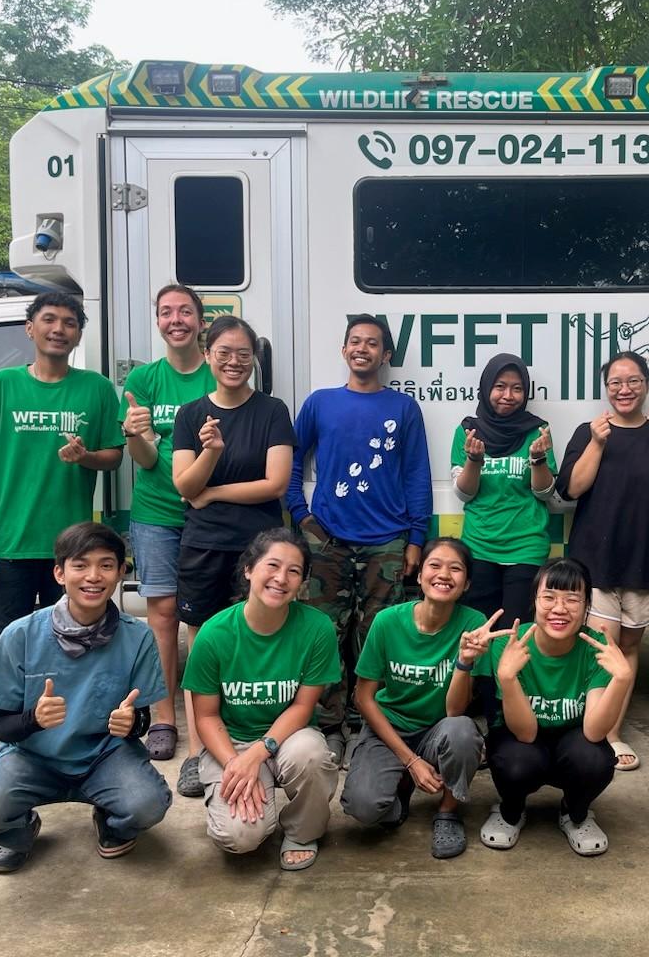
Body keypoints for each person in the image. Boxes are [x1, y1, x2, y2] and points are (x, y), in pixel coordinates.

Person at [0, 292, 124, 773]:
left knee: (81, 643)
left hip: (75, 553)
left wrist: (85, 456)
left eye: (70, 322)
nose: (59, 328)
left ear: (78, 334)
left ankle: (76, 729)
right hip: (12, 543)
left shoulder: (95, 389)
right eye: (49, 320)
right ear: (30, 328)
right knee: (4, 645)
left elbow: (113, 456)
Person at [0, 522, 171, 873]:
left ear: (120, 572)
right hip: (33, 757)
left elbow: (141, 717)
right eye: (80, 565)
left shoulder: (138, 638)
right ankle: (18, 831)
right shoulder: (20, 635)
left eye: (106, 565)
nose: (93, 576)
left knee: (147, 805)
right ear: (59, 573)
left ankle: (111, 822)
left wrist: (133, 723)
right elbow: (1, 726)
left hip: (105, 756)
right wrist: (34, 720)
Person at [286, 314, 432, 762]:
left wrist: (416, 539)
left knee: (376, 640)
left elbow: (416, 475)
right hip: (326, 540)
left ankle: (370, 727)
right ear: (344, 349)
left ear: (386, 355)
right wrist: (302, 517)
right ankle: (330, 726)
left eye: (372, 343)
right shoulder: (320, 403)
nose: (362, 348)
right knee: (325, 637)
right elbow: (290, 462)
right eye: (355, 341)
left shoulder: (403, 409)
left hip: (387, 541)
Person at [170, 315, 295, 799]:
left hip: (259, 548)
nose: (234, 362)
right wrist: (210, 452)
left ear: (254, 360)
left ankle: (253, 741)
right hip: (203, 545)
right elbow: (184, 486)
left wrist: (213, 490)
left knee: (257, 641)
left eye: (244, 354)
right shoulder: (190, 415)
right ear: (207, 356)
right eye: (224, 353)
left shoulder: (272, 411)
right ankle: (198, 753)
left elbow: (275, 483)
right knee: (202, 648)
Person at [556, 350, 649, 771]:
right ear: (606, 388)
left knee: (630, 647)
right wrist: (597, 443)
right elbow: (570, 489)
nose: (624, 389)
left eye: (633, 380)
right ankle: (608, 734)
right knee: (604, 645)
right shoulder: (589, 431)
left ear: (646, 384)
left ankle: (607, 720)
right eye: (615, 382)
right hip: (594, 559)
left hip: (643, 555)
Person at [181, 528, 341, 871]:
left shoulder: (317, 628)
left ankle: (302, 830)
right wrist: (236, 764)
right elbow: (206, 716)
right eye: (272, 565)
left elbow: (302, 706)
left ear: (302, 582)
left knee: (310, 756)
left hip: (287, 737)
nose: (281, 578)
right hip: (230, 742)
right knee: (240, 838)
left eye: (294, 571)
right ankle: (250, 805)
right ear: (249, 570)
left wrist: (260, 751)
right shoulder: (214, 633)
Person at [452, 558, 630, 857]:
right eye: (549, 597)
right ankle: (510, 811)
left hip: (573, 740)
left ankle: (575, 813)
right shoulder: (509, 645)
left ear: (586, 605)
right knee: (516, 762)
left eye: (572, 599)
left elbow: (594, 730)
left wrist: (622, 679)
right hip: (523, 740)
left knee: (595, 759)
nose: (559, 609)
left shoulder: (597, 647)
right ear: (533, 601)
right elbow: (525, 733)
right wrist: (508, 679)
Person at [341, 538, 500, 859]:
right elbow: (364, 698)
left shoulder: (473, 624)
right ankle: (401, 785)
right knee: (364, 808)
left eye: (456, 569)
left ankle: (448, 811)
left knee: (463, 731)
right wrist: (410, 761)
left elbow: (455, 711)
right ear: (419, 575)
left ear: (466, 583)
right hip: (389, 729)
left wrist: (465, 661)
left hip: (439, 729)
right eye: (435, 565)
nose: (444, 574)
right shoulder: (387, 622)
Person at [120, 283, 215, 762]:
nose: (175, 319)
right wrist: (136, 434)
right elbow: (145, 457)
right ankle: (163, 719)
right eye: (165, 312)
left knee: (205, 622)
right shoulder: (144, 380)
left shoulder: (216, 374)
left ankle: (207, 717)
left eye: (184, 311)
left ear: (200, 320)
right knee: (161, 618)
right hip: (156, 514)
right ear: (157, 322)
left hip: (208, 513)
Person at [451, 354, 556, 624]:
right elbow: (464, 493)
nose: (508, 395)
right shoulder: (468, 431)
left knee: (516, 632)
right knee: (479, 631)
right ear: (486, 388)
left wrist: (538, 459)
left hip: (526, 547)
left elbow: (544, 493)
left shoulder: (538, 431)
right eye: (500, 386)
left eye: (517, 388)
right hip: (478, 546)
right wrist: (474, 460)